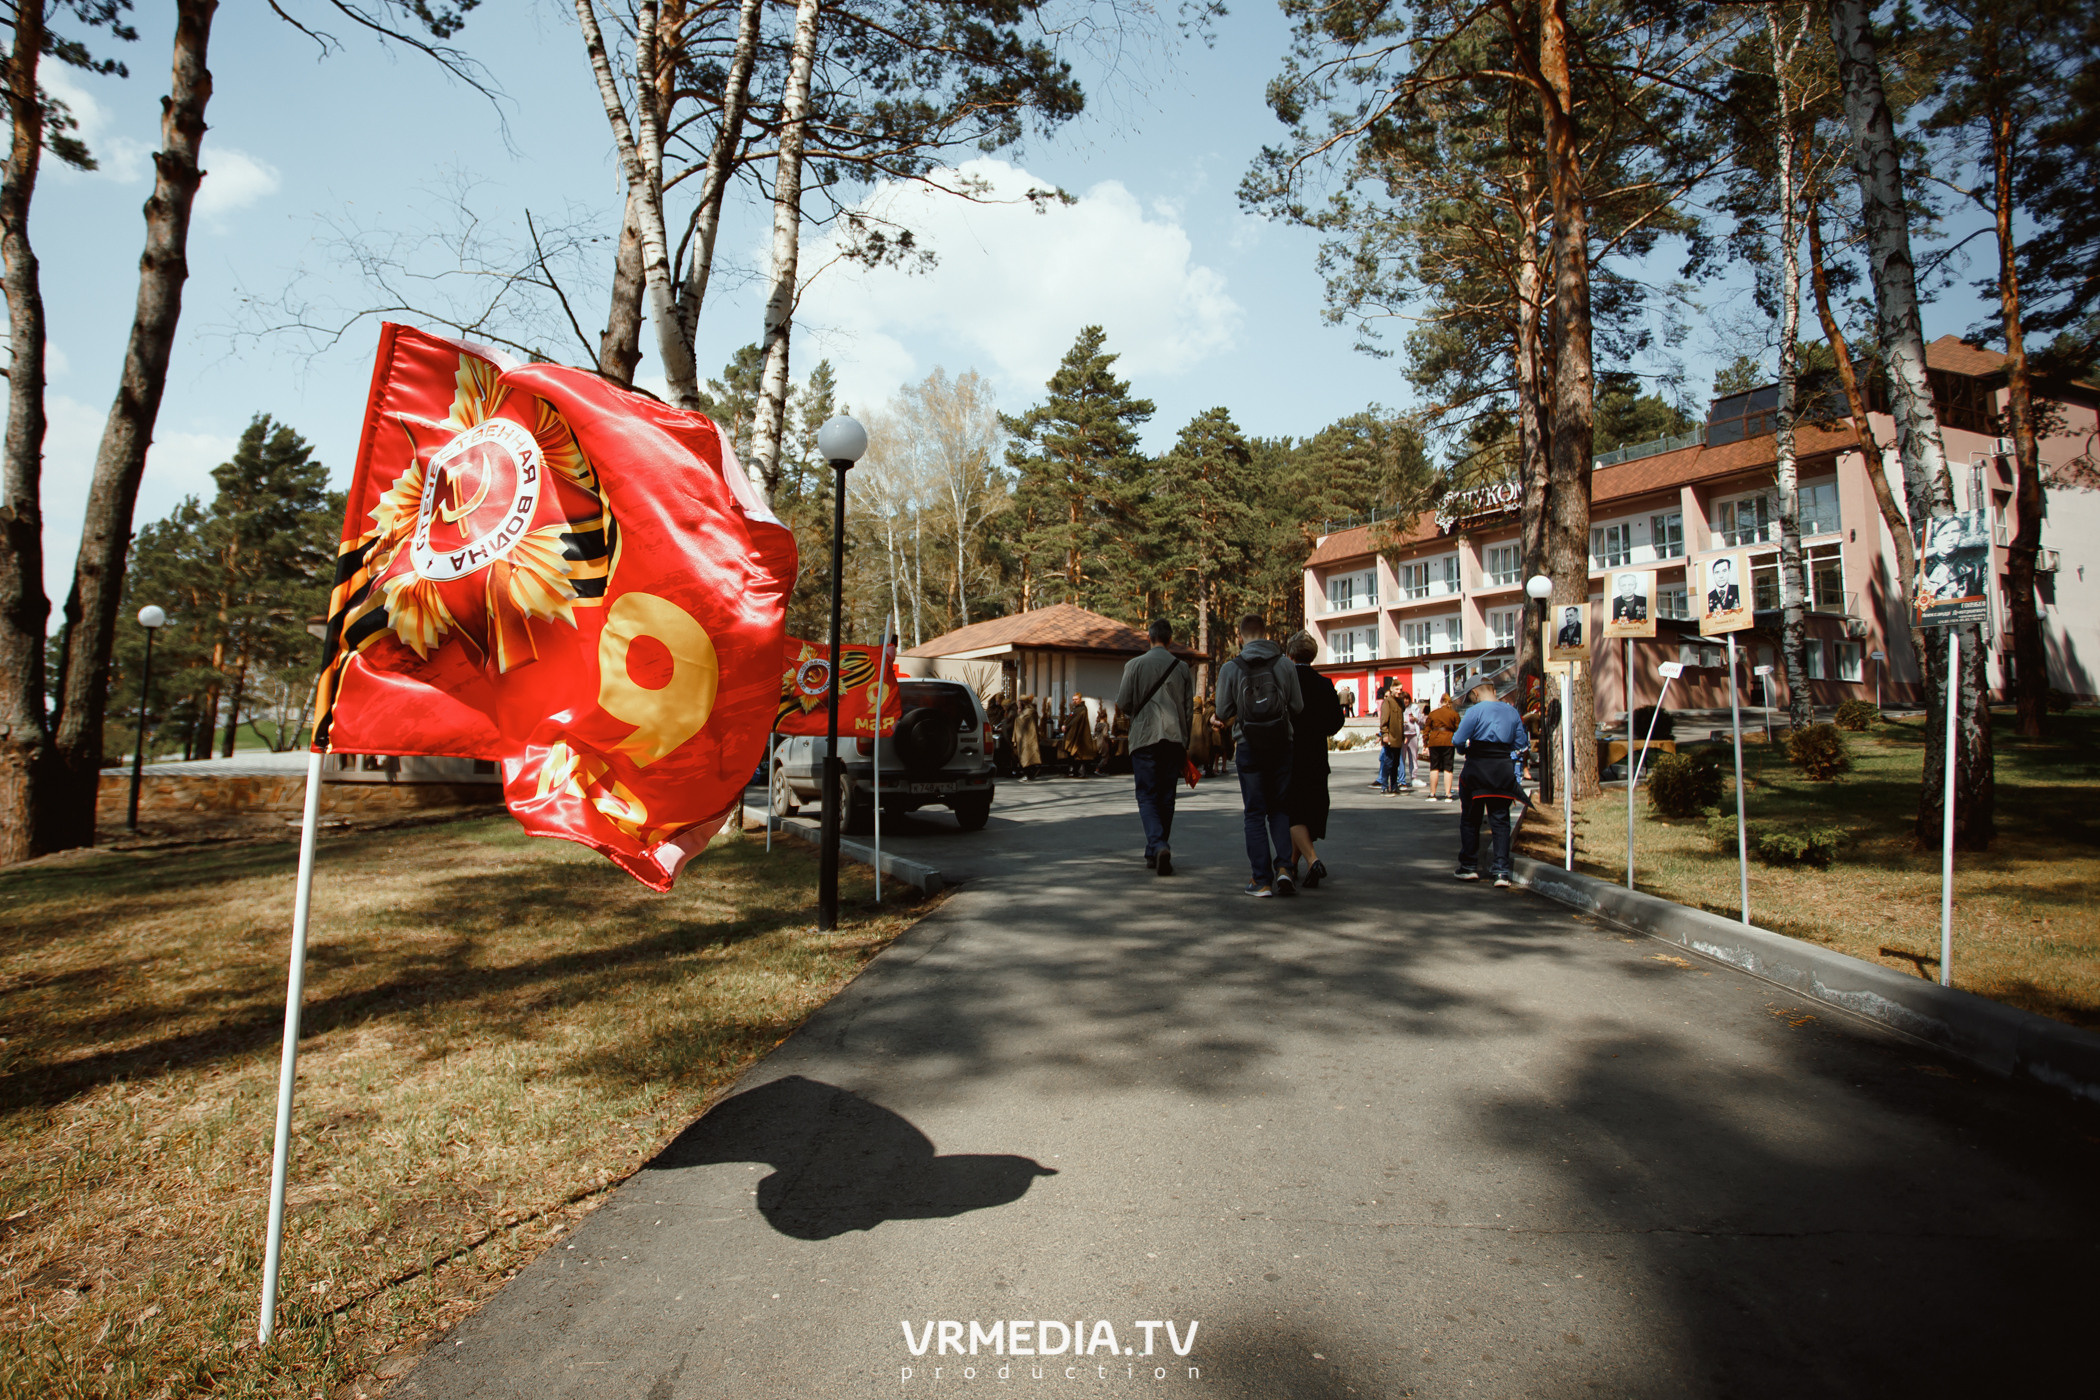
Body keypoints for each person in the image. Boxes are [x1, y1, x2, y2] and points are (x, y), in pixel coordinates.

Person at [1212, 614, 1304, 897]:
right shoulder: (1285, 664)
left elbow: (1223, 711)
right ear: (1266, 633)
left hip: (1249, 745)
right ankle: (1285, 869)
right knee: (1279, 808)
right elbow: (1297, 707)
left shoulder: (1231, 668)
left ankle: (1261, 880)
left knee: (1254, 813)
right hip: (1281, 744)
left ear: (1240, 637)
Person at [1115, 619, 1194, 875]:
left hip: (1144, 738)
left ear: (1148, 638)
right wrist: (1186, 741)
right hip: (1173, 738)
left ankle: (1158, 845)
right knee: (1167, 796)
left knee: (1147, 795)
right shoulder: (1182, 668)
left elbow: (1124, 702)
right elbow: (1189, 709)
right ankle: (1156, 849)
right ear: (1170, 640)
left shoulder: (1134, 665)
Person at [1450, 681, 1528, 888]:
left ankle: (1468, 867)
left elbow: (1458, 740)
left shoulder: (1475, 712)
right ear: (1493, 690)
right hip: (1502, 770)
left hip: (1477, 769)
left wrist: (1465, 750)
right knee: (1500, 821)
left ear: (1475, 693)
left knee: (1470, 819)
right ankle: (1501, 871)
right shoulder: (1512, 712)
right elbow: (1521, 744)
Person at [1284, 631, 1346, 887]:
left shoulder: (1286, 683)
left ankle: (1311, 860)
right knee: (1309, 811)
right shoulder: (1324, 684)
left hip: (1291, 754)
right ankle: (1291, 865)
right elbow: (1335, 722)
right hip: (1317, 755)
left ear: (1289, 654)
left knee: (1291, 812)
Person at [1423, 693, 1461, 802]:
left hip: (1434, 741)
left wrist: (1425, 743)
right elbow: (1458, 729)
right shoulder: (1453, 714)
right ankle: (1448, 794)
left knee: (1434, 767)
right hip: (1448, 741)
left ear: (1441, 702)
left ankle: (1432, 794)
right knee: (1448, 768)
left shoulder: (1433, 714)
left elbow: (1426, 729)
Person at [1375, 680, 1407, 794]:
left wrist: (1403, 736)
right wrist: (1385, 735)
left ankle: (1394, 786)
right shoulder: (1387, 702)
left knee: (1395, 764)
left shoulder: (1399, 702)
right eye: (1397, 689)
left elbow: (1400, 721)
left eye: (1401, 690)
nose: (1399, 692)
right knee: (1388, 763)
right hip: (1390, 738)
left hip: (1398, 738)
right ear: (1392, 689)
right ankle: (1384, 786)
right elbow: (1384, 720)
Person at [1062, 694, 1098, 776]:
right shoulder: (1074, 709)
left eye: (1076, 699)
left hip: (1079, 734)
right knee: (1072, 752)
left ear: (1080, 699)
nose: (1074, 701)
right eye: (1073, 699)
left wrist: (1067, 726)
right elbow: (1070, 718)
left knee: (1079, 753)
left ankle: (1079, 771)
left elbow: (1076, 720)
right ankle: (1074, 770)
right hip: (1072, 733)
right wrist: (1064, 725)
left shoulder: (1082, 709)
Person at [1013, 693, 1042, 781]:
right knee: (1024, 755)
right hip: (1024, 737)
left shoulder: (1029, 711)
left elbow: (1020, 720)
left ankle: (1029, 774)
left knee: (1027, 756)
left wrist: (1018, 714)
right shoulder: (1026, 711)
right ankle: (1029, 773)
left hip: (1028, 737)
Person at [1402, 695, 1423, 791]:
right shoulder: (1400, 708)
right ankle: (1401, 778)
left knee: (1414, 757)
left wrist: (1416, 719)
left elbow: (1421, 720)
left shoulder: (1414, 708)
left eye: (1407, 699)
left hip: (1413, 734)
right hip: (1403, 734)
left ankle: (1414, 777)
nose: (1405, 701)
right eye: (1404, 699)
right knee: (1402, 758)